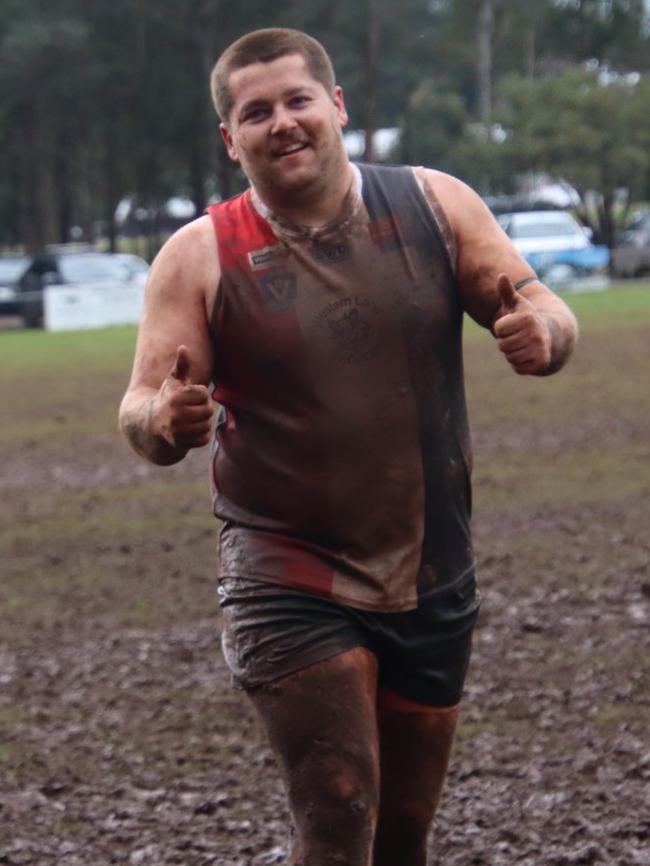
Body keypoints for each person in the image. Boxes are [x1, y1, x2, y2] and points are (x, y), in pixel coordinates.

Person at [119, 27, 577, 866]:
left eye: (298, 101)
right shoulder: (198, 256)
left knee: (403, 831)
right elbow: (142, 405)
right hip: (286, 571)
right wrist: (164, 420)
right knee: (337, 808)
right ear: (231, 140)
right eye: (256, 113)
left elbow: (540, 302)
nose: (282, 123)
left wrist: (541, 331)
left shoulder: (435, 204)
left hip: (432, 565)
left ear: (336, 106)